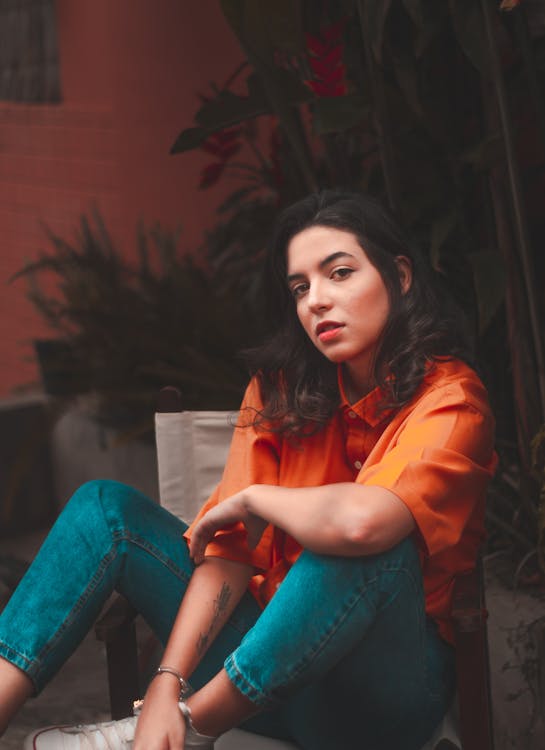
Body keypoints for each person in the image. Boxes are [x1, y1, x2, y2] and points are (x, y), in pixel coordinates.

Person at [0, 190, 496, 750]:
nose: (317, 301)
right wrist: (167, 681)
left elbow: (362, 525)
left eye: (339, 273)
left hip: (378, 695)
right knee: (104, 510)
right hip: (262, 675)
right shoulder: (282, 389)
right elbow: (231, 554)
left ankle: (185, 731)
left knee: (353, 545)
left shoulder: (453, 400)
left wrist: (257, 498)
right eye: (300, 287)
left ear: (399, 276)